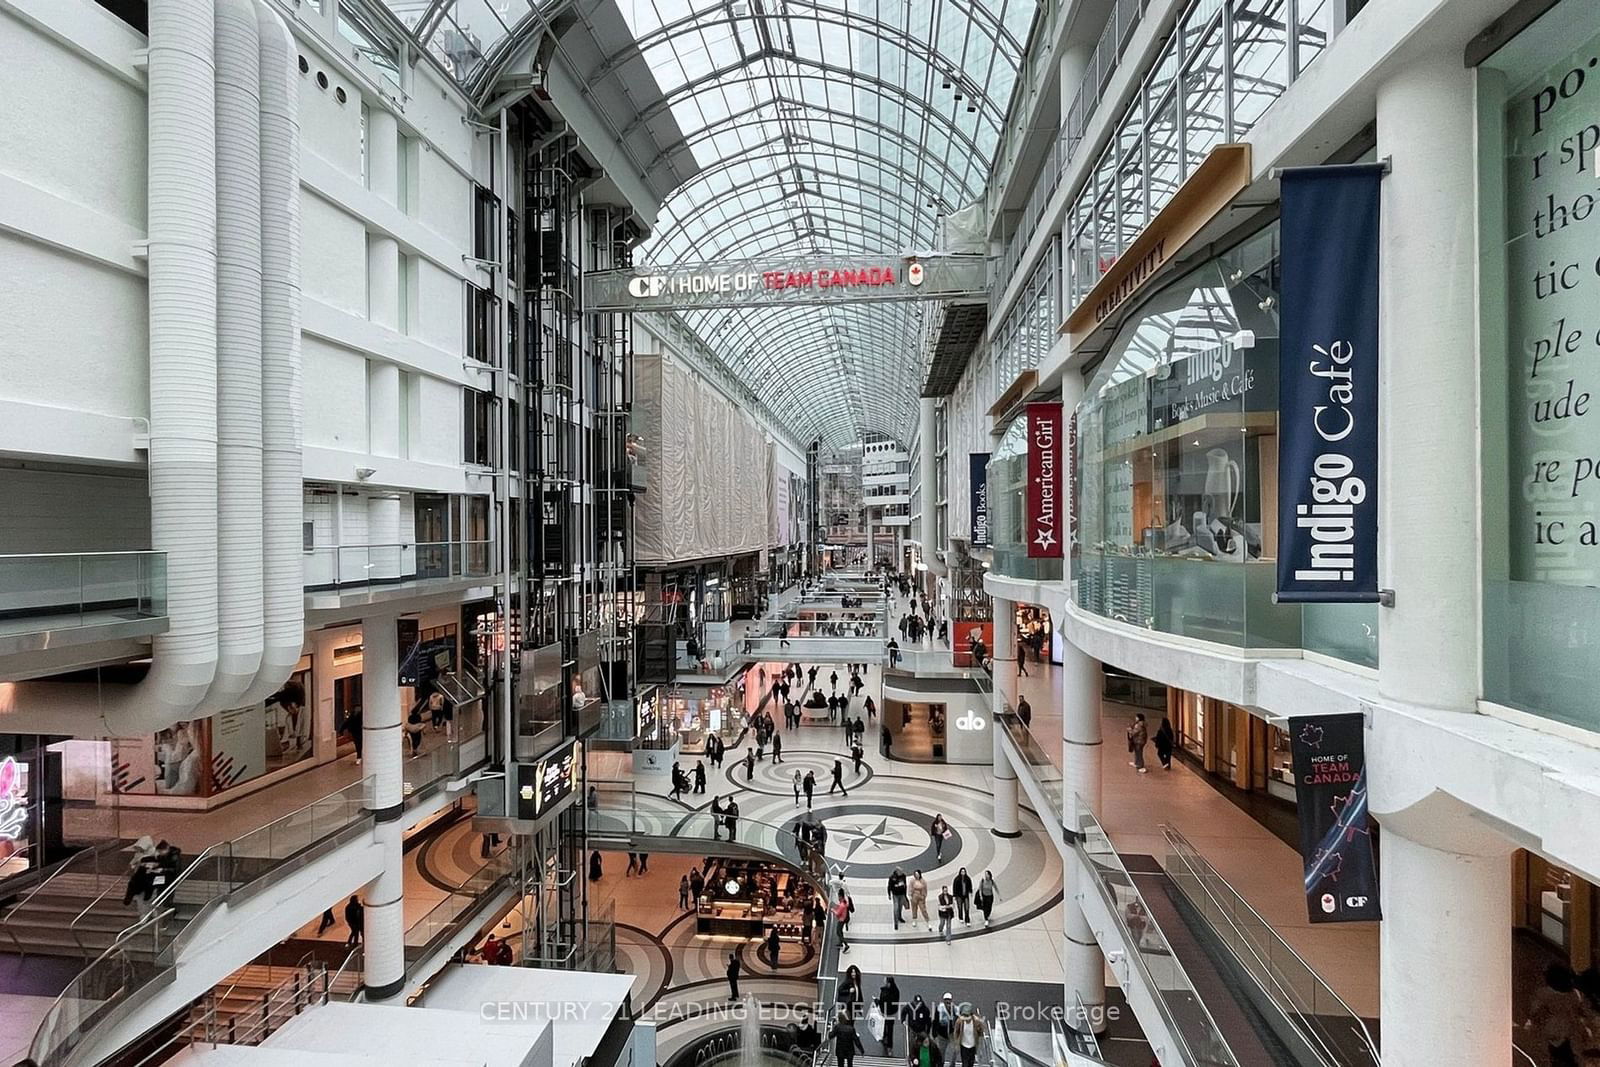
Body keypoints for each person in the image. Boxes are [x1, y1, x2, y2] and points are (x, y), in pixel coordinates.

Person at [1527, 963, 1593, 1067]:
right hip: (1571, 1036)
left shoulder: (1543, 994)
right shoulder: (1575, 994)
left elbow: (1535, 1015)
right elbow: (1585, 1013)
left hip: (1553, 1035)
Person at [877, 976, 901, 1054]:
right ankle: (884, 1037)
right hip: (887, 1012)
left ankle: (889, 1046)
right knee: (885, 1025)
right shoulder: (895, 990)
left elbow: (887, 1002)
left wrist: (879, 1002)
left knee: (890, 1029)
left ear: (889, 983)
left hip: (890, 1013)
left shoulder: (893, 993)